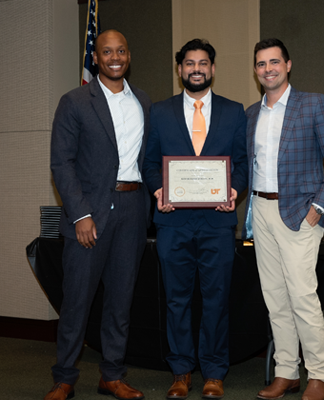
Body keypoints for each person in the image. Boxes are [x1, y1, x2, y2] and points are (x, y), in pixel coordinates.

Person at [46, 30, 151, 400]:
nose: (115, 56)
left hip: (133, 209)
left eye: (121, 50)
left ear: (128, 55)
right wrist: (79, 215)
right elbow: (62, 162)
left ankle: (112, 375)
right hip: (89, 214)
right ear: (96, 58)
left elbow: (148, 160)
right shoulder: (75, 101)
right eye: (107, 51)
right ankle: (64, 378)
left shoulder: (143, 101)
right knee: (77, 300)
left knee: (120, 300)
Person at [243, 38, 324, 400]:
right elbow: (249, 167)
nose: (268, 68)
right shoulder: (251, 114)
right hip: (262, 212)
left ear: (288, 65)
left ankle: (319, 373)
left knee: (303, 296)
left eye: (274, 62)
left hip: (300, 214)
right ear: (255, 70)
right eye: (260, 64)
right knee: (275, 297)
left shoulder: (313, 104)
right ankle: (286, 371)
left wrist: (318, 209)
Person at [142, 39, 248, 399]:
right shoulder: (159, 111)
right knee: (177, 299)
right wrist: (158, 190)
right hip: (173, 223)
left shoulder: (235, 112)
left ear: (213, 69)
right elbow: (150, 163)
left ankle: (214, 372)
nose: (196, 69)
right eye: (189, 63)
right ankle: (181, 371)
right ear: (180, 69)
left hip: (217, 223)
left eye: (203, 63)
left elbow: (245, 164)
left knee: (216, 298)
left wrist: (235, 191)